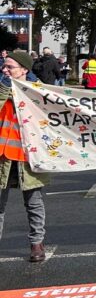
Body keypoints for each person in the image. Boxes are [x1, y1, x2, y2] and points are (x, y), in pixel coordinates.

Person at [0, 50, 49, 262]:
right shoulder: (1, 88)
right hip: (2, 156)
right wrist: (4, 89)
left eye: (9, 66)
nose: (5, 69)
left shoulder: (38, 91)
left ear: (24, 70)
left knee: (33, 202)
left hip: (28, 157)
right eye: (4, 66)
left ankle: (36, 243)